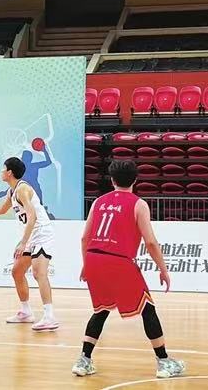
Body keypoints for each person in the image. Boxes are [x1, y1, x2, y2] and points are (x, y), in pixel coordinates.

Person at [71, 160, 184, 379]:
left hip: (94, 258)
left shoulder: (98, 202)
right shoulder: (138, 204)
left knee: (101, 310)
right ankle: (163, 362)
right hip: (119, 261)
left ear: (112, 180)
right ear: (135, 179)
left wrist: (86, 264)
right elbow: (150, 242)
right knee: (147, 309)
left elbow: (85, 238)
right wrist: (163, 269)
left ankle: (84, 360)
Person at [0, 157, 59, 331]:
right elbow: (1, 209)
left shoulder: (23, 189)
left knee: (39, 273)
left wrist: (23, 243)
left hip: (42, 234)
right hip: (31, 236)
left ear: (9, 172)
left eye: (3, 168)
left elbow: (32, 217)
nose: (1, 171)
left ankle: (49, 317)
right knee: (17, 272)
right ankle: (26, 312)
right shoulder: (12, 191)